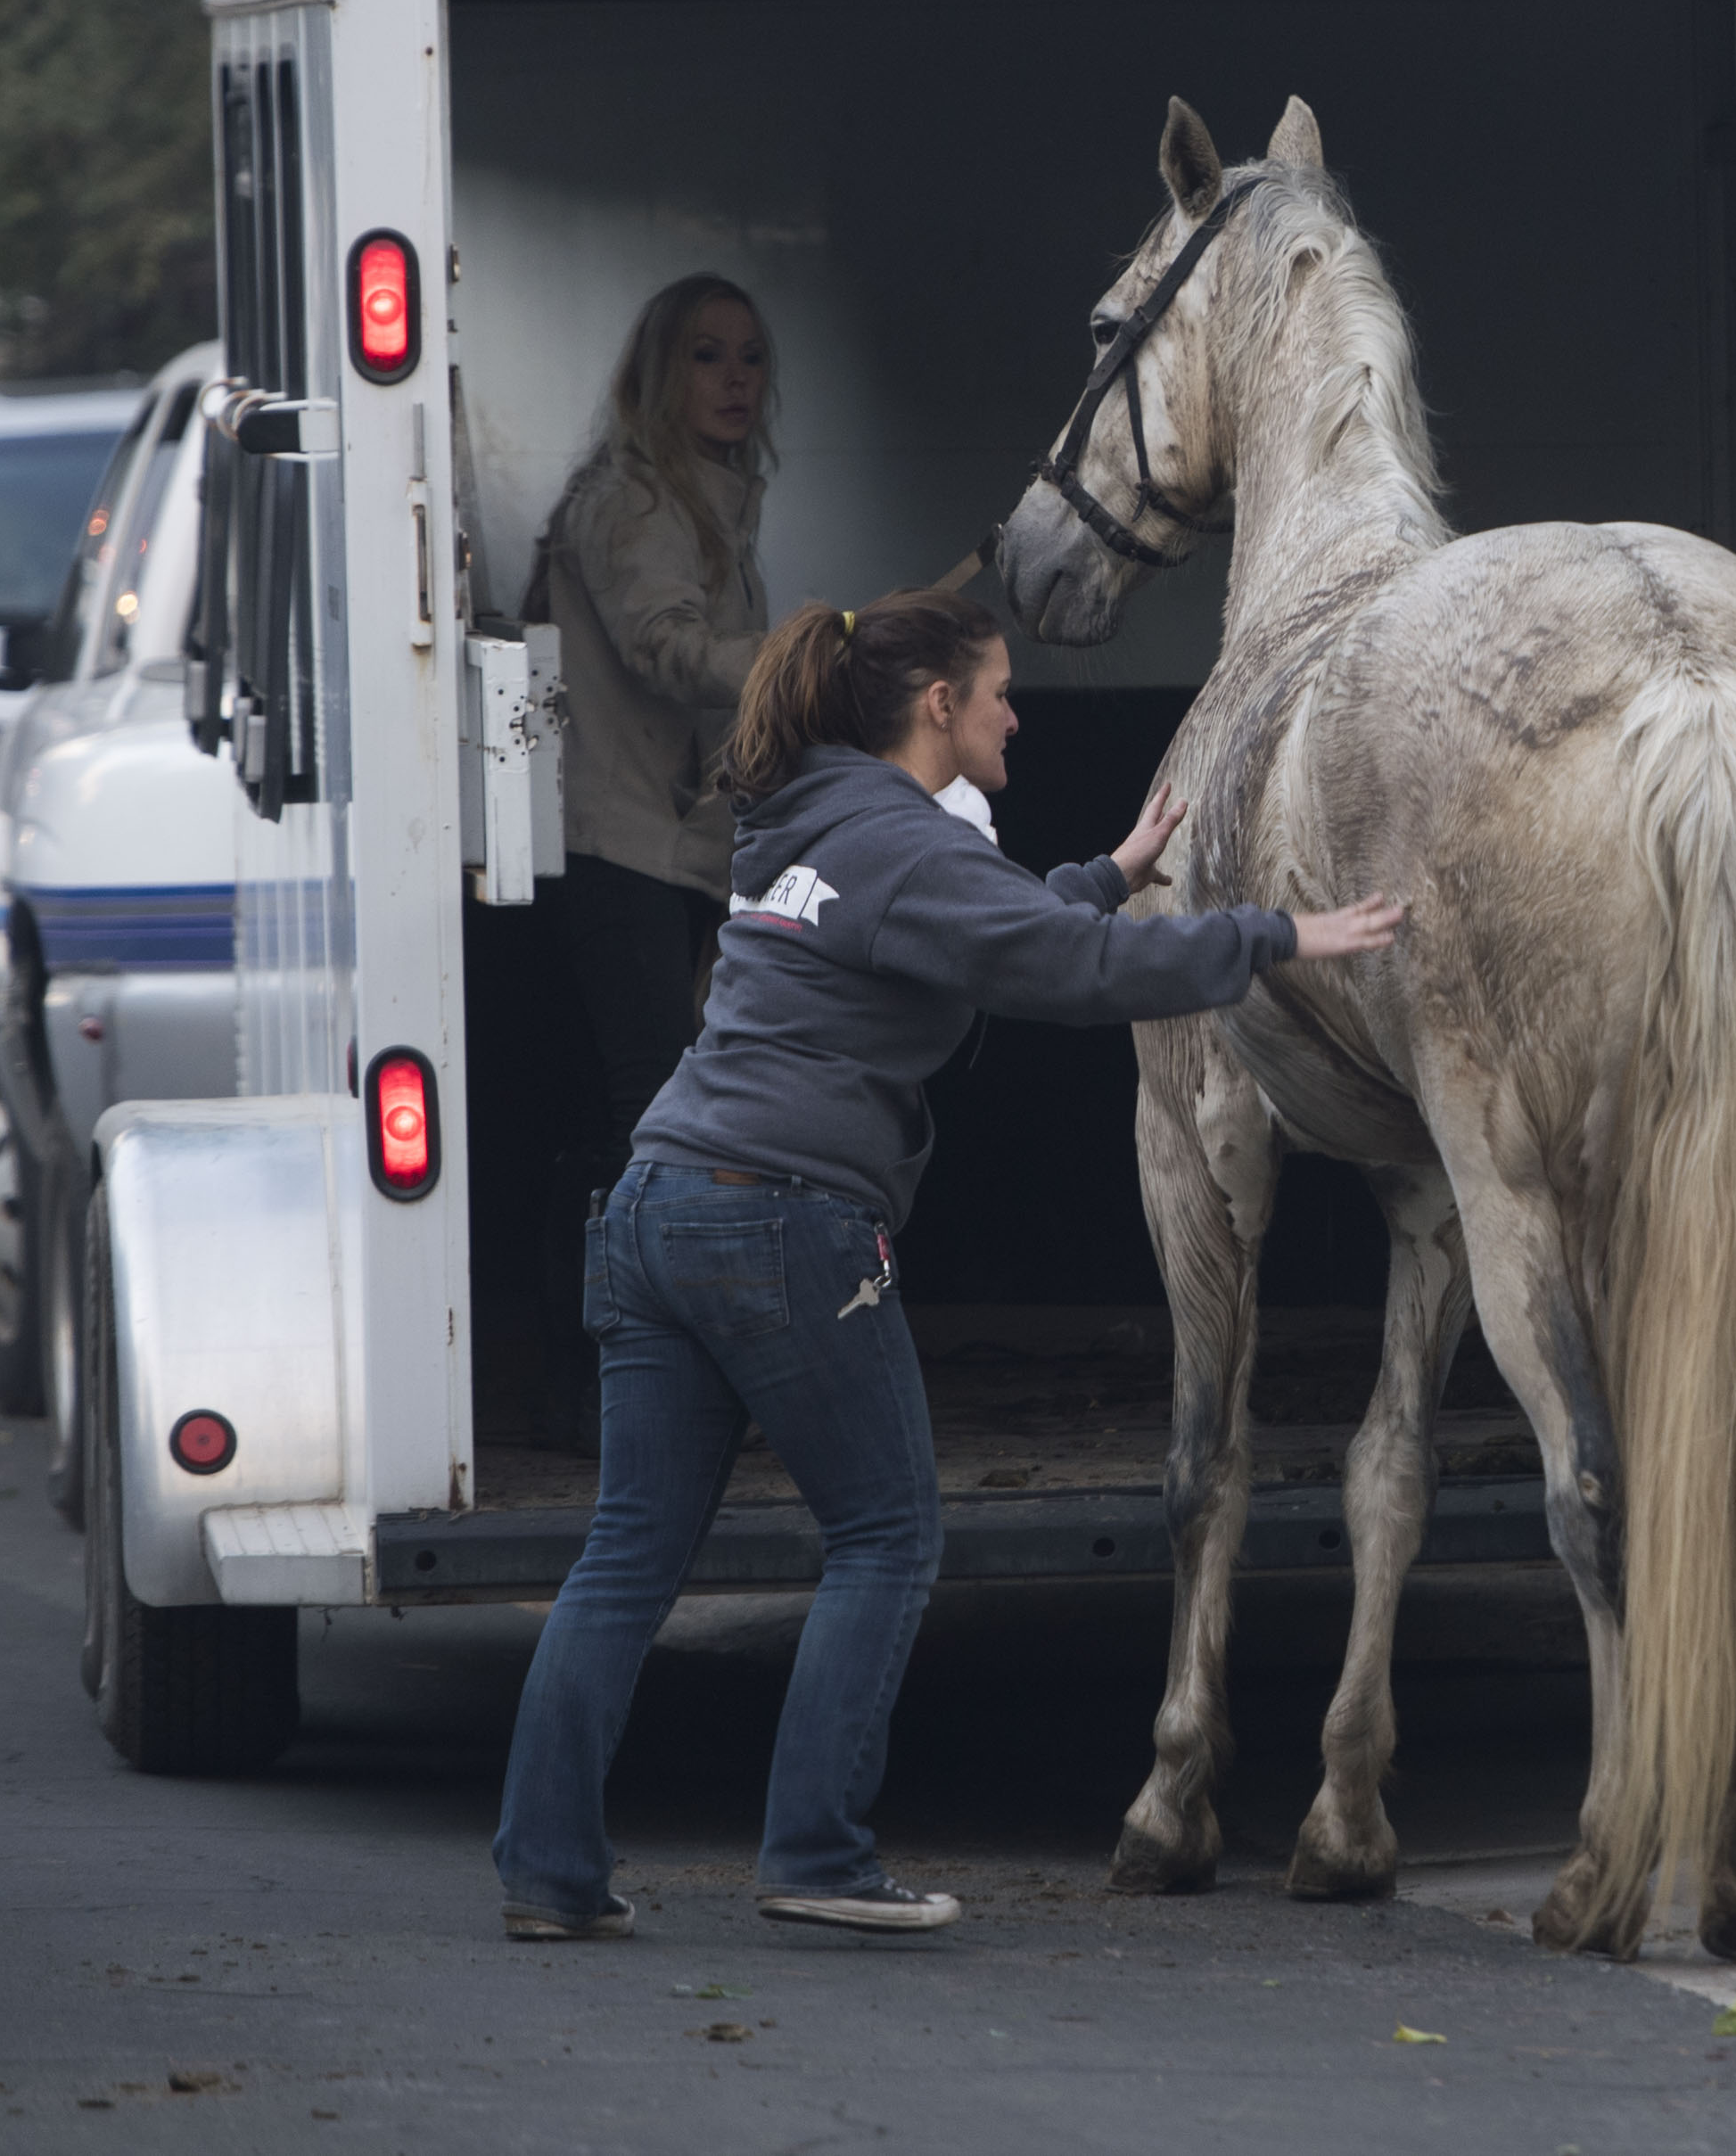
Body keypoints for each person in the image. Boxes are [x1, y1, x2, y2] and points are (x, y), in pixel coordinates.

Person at [491, 587, 1405, 1941]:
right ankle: (814, 1851)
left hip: (657, 1202)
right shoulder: (905, 844)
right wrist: (1280, 937)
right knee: (887, 1534)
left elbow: (976, 932)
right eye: (997, 692)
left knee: (627, 1554)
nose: (1016, 713)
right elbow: (1070, 973)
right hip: (784, 1222)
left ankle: (547, 1873)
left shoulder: (805, 815)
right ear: (938, 709)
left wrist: (1104, 869)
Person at [523, 275, 776, 1436]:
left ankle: (641, 1381)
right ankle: (632, 1389)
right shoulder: (629, 501)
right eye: (707, 357)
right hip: (620, 846)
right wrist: (805, 659)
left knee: (667, 1117)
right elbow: (670, 650)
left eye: (750, 359)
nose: (734, 380)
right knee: (653, 1120)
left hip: (682, 853)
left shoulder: (711, 499)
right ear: (657, 377)